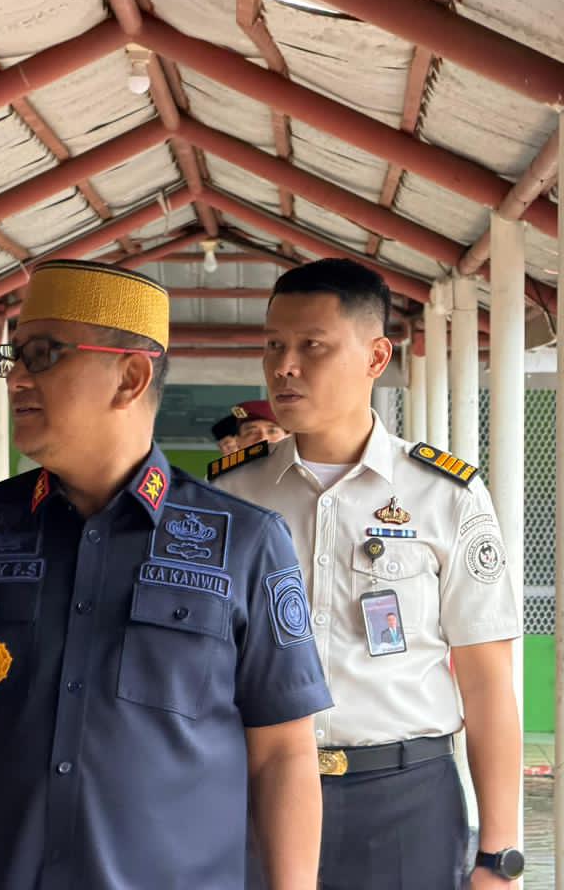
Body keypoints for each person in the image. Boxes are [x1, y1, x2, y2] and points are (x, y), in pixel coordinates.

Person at [0, 259, 333, 890]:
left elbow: (283, 754)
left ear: (130, 378)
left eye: (43, 354)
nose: (17, 377)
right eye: (14, 357)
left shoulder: (244, 542)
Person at [210, 258, 523, 890]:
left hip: (404, 799)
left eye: (312, 346)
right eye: (273, 345)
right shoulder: (232, 496)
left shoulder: (445, 495)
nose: (284, 366)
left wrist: (499, 855)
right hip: (254, 788)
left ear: (376, 357)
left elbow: (487, 681)